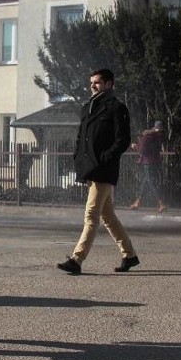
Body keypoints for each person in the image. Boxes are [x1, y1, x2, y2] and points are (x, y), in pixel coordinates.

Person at [57, 68, 140, 275]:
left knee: (91, 214)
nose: (92, 85)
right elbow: (81, 136)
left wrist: (105, 158)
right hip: (89, 167)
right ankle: (130, 255)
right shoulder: (88, 107)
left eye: (97, 82)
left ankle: (77, 259)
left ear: (109, 84)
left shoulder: (116, 107)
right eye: (91, 82)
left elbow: (123, 140)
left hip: (103, 169)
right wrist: (77, 156)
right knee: (108, 216)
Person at [129, 120, 167, 212]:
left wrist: (135, 147)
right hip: (155, 161)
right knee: (145, 182)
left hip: (147, 162)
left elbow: (142, 150)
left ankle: (161, 203)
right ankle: (137, 202)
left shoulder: (148, 136)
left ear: (155, 127)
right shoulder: (159, 136)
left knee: (151, 183)